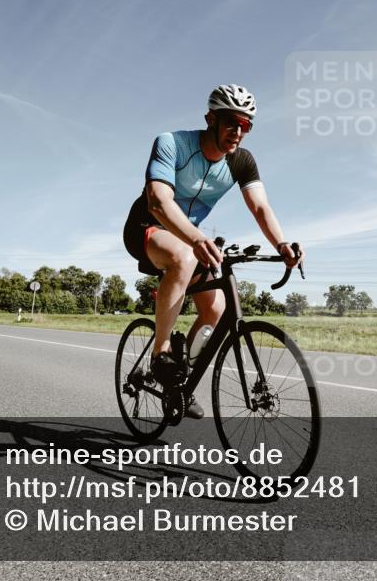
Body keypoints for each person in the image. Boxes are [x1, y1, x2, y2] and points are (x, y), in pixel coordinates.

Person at [123, 84, 303, 419]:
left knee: (216, 308)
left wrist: (281, 244)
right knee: (182, 257)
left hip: (187, 237)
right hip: (147, 226)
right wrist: (195, 239)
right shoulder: (172, 143)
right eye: (232, 122)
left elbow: (260, 207)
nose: (238, 132)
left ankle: (179, 381)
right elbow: (158, 201)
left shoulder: (241, 161)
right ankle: (160, 353)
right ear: (210, 119)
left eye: (246, 125)